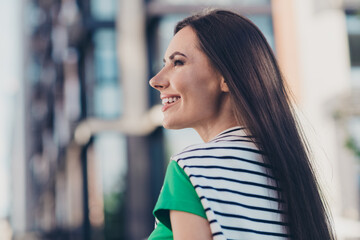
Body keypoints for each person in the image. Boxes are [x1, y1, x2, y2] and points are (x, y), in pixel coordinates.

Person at [148, 9, 335, 240]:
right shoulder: (292, 172)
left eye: (177, 62)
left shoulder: (191, 168)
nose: (156, 80)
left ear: (226, 77)